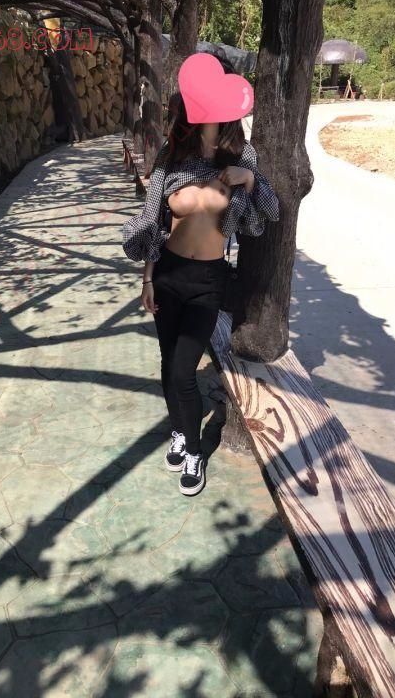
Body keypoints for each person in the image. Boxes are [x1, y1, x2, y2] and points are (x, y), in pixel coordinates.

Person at [121, 54, 279, 497]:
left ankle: (193, 451)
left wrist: (250, 180)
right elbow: (153, 223)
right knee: (167, 363)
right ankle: (179, 429)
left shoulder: (243, 156)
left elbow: (271, 211)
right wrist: (148, 279)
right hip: (168, 274)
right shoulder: (173, 155)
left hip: (209, 279)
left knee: (183, 370)